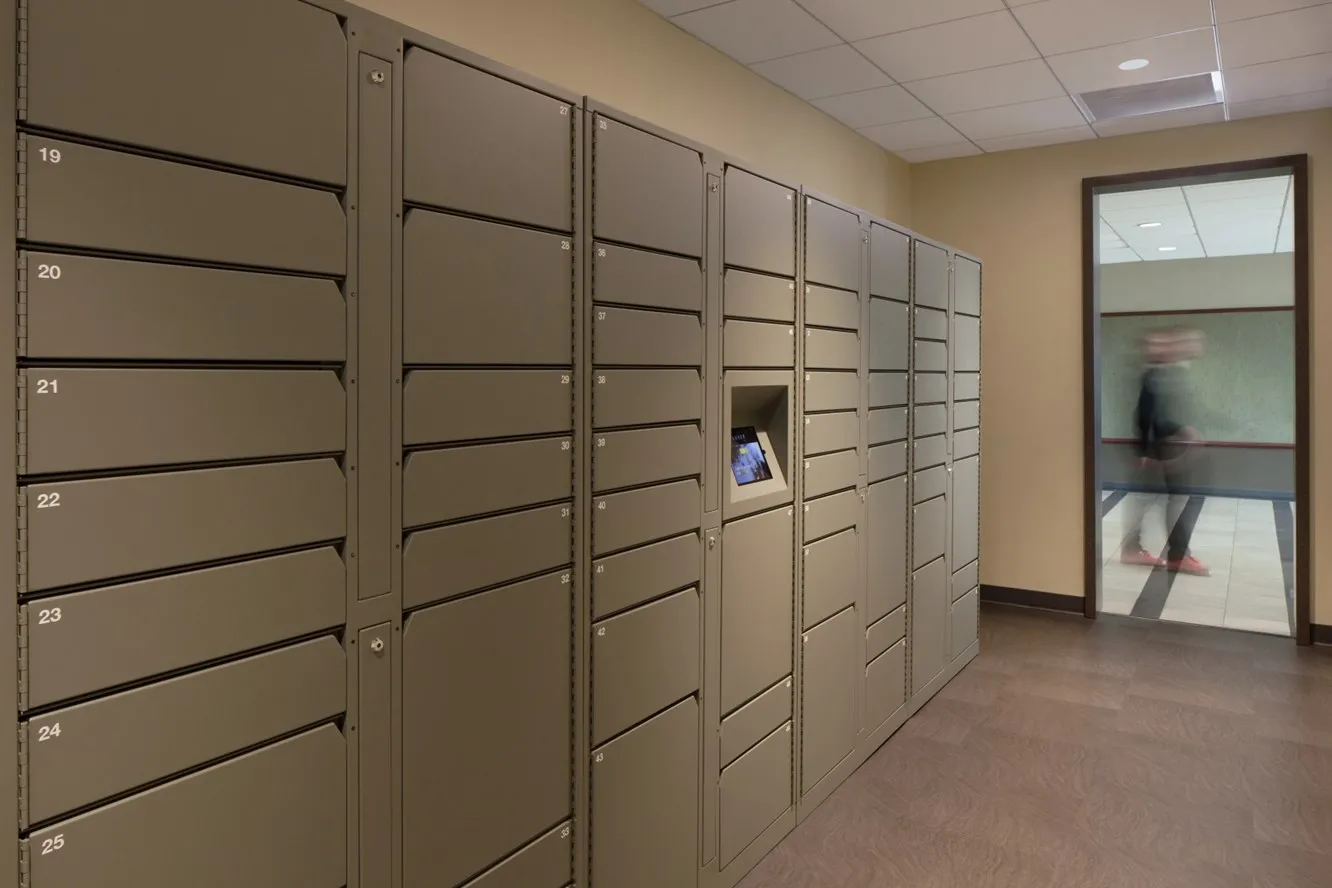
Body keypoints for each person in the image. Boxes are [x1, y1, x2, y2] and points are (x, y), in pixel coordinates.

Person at [1120, 327, 1209, 576]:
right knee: (1172, 501)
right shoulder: (1155, 376)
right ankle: (1175, 554)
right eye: (1155, 345)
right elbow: (1147, 416)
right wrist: (1145, 450)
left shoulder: (1170, 373)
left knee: (1156, 501)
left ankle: (1147, 550)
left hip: (1168, 448)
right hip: (1164, 449)